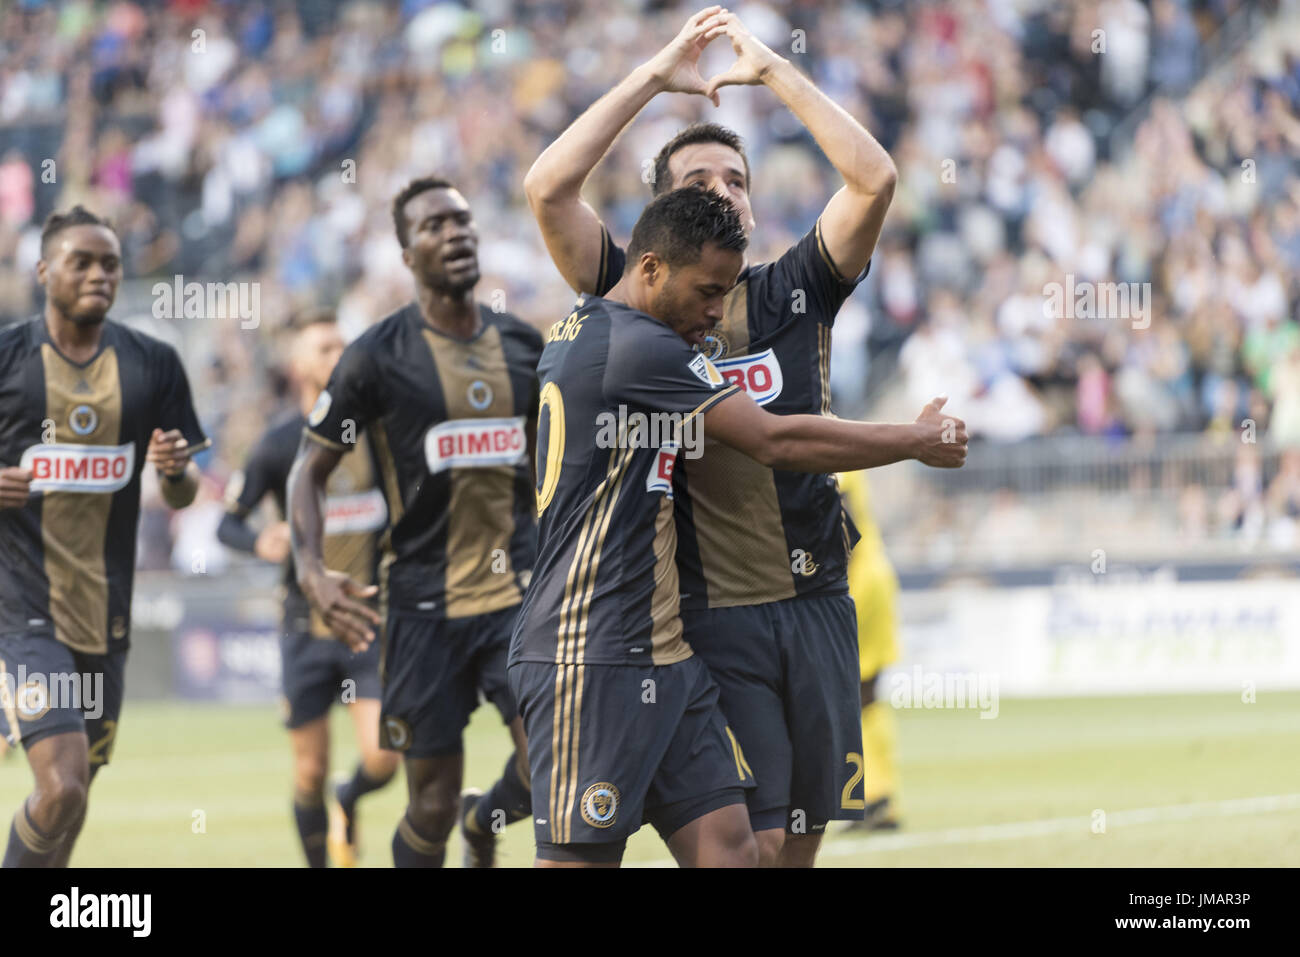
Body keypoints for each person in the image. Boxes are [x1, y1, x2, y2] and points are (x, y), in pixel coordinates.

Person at [524, 7, 905, 865]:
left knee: (794, 850)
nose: (721, 193)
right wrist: (652, 77)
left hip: (817, 604)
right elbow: (549, 190)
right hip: (711, 616)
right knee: (753, 847)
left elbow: (873, 180)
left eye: (735, 180)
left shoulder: (796, 287)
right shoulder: (634, 289)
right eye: (698, 180)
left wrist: (771, 71)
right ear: (663, 209)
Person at [510, 186, 965, 867]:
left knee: (735, 850)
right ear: (652, 268)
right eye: (707, 290)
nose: (717, 311)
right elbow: (774, 441)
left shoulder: (598, 329)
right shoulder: (639, 348)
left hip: (667, 654)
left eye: (725, 291)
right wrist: (914, 438)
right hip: (590, 650)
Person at [287, 178, 543, 868]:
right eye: (434, 225)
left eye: (462, 220)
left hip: (517, 595)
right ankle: (460, 818)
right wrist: (312, 571)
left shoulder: (525, 346)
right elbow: (306, 471)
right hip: (422, 609)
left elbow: (558, 469)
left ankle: (485, 821)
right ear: (406, 253)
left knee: (553, 765)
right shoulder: (375, 356)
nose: (455, 233)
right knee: (428, 805)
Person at [0, 205, 207, 867]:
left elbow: (183, 491)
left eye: (110, 263)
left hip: (106, 616)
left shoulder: (152, 364)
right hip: (22, 614)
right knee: (59, 784)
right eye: (81, 261)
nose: (99, 274)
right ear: (42, 271)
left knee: (74, 798)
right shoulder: (6, 359)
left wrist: (175, 473)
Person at [217, 310, 399, 867]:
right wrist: (261, 541)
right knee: (308, 770)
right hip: (304, 624)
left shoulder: (379, 432)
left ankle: (350, 796)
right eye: (323, 348)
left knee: (384, 758)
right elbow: (229, 522)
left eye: (341, 345)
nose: (337, 355)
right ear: (298, 365)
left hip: (369, 621)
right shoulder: (276, 445)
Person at [837, 469, 902, 830]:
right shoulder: (836, 435)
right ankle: (879, 795)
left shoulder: (818, 439)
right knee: (867, 695)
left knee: (846, 696)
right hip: (876, 575)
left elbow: (844, 520)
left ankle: (867, 796)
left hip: (854, 583)